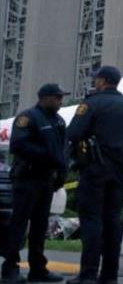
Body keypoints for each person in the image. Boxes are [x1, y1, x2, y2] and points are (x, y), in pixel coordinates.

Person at [66, 67, 123, 284]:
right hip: (120, 174)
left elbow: (73, 133)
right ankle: (110, 275)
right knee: (112, 222)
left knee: (91, 221)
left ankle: (88, 273)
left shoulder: (92, 103)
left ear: (102, 81)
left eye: (97, 80)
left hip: (94, 170)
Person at [1, 84, 69, 284]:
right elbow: (18, 145)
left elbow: (63, 150)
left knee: (40, 227)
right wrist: (47, 156)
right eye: (57, 97)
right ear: (44, 98)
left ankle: (38, 268)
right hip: (27, 178)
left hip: (46, 180)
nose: (60, 101)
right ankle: (10, 269)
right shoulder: (27, 117)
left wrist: (61, 173)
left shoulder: (58, 121)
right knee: (19, 225)